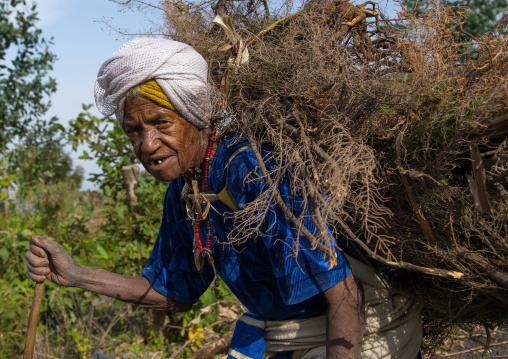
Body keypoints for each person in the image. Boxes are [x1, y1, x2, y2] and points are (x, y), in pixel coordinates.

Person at [26, 38, 421, 359]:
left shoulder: (254, 170)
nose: (147, 144)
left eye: (161, 122)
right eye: (134, 130)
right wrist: (76, 275)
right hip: (285, 338)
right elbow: (171, 293)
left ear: (195, 114)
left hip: (357, 333)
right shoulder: (184, 192)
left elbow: (343, 294)